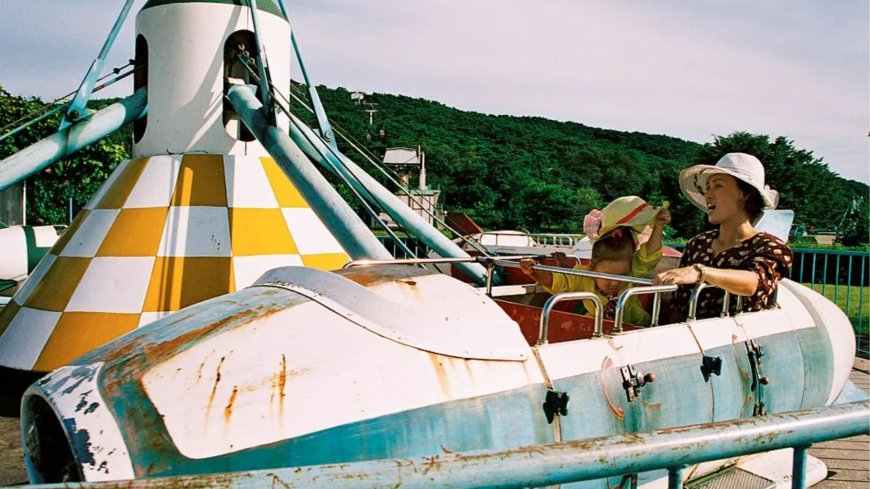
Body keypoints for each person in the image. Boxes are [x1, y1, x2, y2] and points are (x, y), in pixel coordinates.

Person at [654, 153, 793, 320]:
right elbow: (680, 307)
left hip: (741, 341)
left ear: (745, 194)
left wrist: (700, 272)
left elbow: (754, 282)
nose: (708, 195)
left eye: (717, 186)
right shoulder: (698, 243)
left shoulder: (770, 247)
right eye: (707, 188)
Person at [520, 196, 671, 326]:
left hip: (634, 324)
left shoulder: (634, 268)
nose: (614, 283)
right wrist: (533, 271)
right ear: (592, 267)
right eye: (607, 276)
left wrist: (658, 226)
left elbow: (648, 255)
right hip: (595, 324)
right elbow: (559, 281)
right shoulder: (584, 275)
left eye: (621, 276)